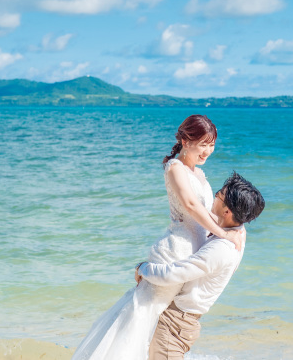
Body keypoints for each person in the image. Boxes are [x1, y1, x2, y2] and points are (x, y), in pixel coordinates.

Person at [71, 115, 243, 360]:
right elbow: (191, 205)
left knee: (161, 320)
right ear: (185, 141)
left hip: (195, 249)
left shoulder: (200, 174)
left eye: (212, 144)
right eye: (203, 144)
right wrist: (223, 233)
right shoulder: (175, 167)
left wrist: (236, 231)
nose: (208, 151)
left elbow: (210, 212)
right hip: (176, 250)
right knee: (144, 313)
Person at [135, 172, 265, 360]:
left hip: (174, 324)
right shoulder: (237, 232)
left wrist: (143, 268)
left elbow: (173, 274)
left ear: (227, 212)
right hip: (182, 322)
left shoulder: (221, 249)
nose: (215, 197)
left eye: (218, 195)